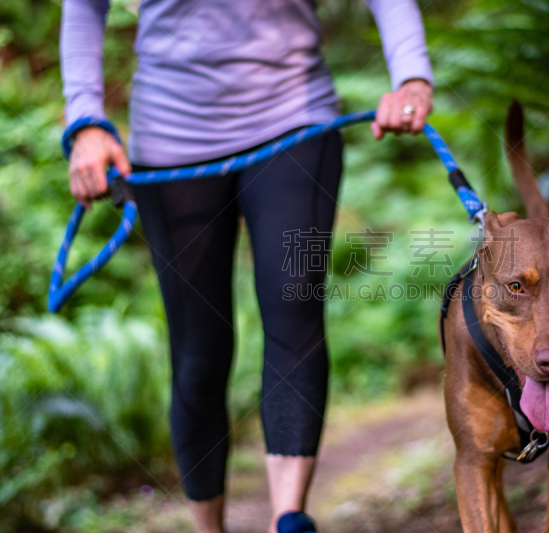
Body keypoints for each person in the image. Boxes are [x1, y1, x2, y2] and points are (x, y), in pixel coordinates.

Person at [59, 1, 433, 532]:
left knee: (293, 300)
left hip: (294, 122)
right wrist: (85, 120)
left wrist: (412, 75)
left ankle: (289, 517)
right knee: (199, 349)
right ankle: (209, 526)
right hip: (171, 142)